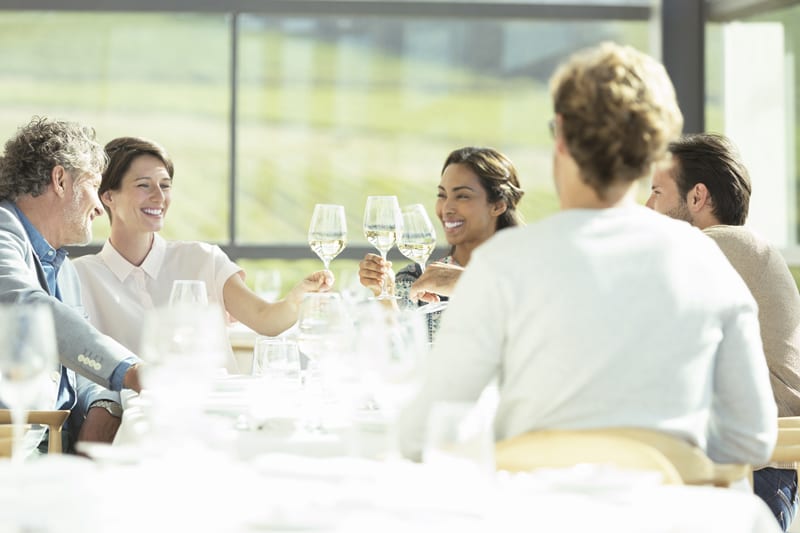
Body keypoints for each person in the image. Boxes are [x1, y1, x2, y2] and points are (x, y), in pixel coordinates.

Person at [397, 42, 778, 470]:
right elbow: (751, 440)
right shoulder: (706, 263)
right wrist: (657, 458)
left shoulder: (503, 263)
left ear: (561, 136)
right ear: (653, 153)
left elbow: (420, 434)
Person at [646, 132, 800, 531]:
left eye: (657, 193)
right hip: (732, 467)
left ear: (696, 197)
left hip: (749, 475)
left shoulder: (725, 244)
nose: (646, 206)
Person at [72, 136, 333, 365]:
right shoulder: (81, 277)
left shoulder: (204, 260)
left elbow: (265, 319)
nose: (159, 197)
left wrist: (297, 298)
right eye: (144, 185)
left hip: (217, 413)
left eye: (165, 185)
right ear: (107, 196)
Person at [0, 116, 142, 451]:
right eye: (94, 185)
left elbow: (80, 361)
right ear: (60, 180)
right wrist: (132, 371)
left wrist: (104, 405)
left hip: (55, 446)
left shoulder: (63, 268)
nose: (99, 207)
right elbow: (27, 307)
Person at [358, 146, 524, 340]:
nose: (447, 208)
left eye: (462, 195)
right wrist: (385, 297)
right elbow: (397, 358)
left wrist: (467, 282)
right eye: (442, 195)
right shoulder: (414, 281)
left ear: (497, 205)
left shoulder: (528, 279)